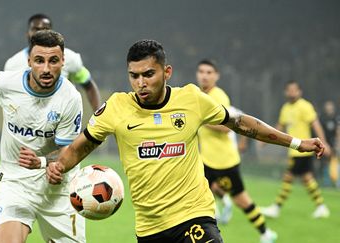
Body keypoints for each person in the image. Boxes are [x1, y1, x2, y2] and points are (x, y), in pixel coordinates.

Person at [44, 39, 325, 243]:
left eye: (148, 74)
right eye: (134, 76)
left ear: (167, 73)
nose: (141, 83)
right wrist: (59, 166)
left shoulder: (191, 99)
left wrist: (297, 143)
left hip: (194, 215)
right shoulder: (116, 107)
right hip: (149, 227)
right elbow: (82, 145)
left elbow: (241, 122)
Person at [0, 30, 86, 243]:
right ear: (29, 61)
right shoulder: (5, 83)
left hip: (58, 188)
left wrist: (46, 164)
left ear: (63, 61)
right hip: (14, 182)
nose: (46, 69)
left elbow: (67, 149)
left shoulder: (70, 98)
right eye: (39, 61)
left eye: (53, 61)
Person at [196, 59, 277, 243]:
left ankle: (266, 233)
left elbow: (226, 127)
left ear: (216, 76)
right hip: (206, 160)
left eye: (209, 72)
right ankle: (221, 206)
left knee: (243, 201)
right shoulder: (199, 95)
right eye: (201, 71)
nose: (204, 75)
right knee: (200, 193)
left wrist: (201, 120)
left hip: (224, 162)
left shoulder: (219, 96)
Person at [261, 81, 331, 219]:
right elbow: (279, 127)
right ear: (286, 92)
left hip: (303, 148)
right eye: (289, 90)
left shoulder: (305, 106)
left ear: (300, 91)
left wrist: (324, 143)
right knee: (307, 178)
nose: (292, 92)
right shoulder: (285, 108)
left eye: (294, 90)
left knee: (288, 177)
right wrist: (265, 138)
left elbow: (315, 124)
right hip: (293, 149)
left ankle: (276, 207)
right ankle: (321, 206)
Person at [4, 13, 101, 111]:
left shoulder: (70, 58)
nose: (40, 32)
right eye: (36, 29)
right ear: (27, 33)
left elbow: (88, 85)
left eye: (45, 29)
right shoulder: (13, 64)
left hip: (63, 120)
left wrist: (98, 114)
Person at [318, 100, 340, 186]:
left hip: (333, 143)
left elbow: (338, 131)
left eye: (330, 106)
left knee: (335, 161)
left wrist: (338, 143)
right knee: (324, 162)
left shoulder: (336, 118)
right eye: (327, 106)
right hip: (323, 143)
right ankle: (326, 182)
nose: (329, 108)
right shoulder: (322, 118)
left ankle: (337, 183)